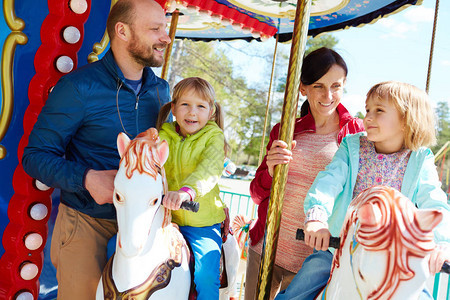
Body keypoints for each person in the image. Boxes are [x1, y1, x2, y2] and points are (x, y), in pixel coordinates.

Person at [21, 0, 171, 299]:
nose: (165, 36)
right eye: (155, 28)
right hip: (88, 221)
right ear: (122, 31)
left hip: (142, 224)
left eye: (165, 28)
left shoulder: (161, 90)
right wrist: (88, 179)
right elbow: (34, 157)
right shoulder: (79, 87)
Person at [275, 81, 450, 300]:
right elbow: (329, 181)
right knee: (297, 294)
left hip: (393, 256)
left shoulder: (419, 158)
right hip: (339, 246)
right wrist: (317, 217)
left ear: (406, 119)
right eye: (368, 110)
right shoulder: (353, 146)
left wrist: (442, 243)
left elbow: (434, 202)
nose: (367, 117)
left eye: (379, 111)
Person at [245, 47, 365, 299]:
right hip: (267, 247)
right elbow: (256, 194)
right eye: (319, 86)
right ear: (303, 88)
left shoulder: (355, 134)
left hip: (314, 260)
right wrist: (269, 169)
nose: (328, 95)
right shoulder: (286, 129)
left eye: (336, 86)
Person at [157, 77, 229, 300]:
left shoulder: (213, 137)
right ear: (174, 109)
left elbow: (209, 169)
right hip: (167, 219)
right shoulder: (162, 135)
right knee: (116, 247)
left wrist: (186, 192)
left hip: (202, 222)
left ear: (210, 113)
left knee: (207, 274)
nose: (192, 112)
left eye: (200, 106)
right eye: (185, 104)